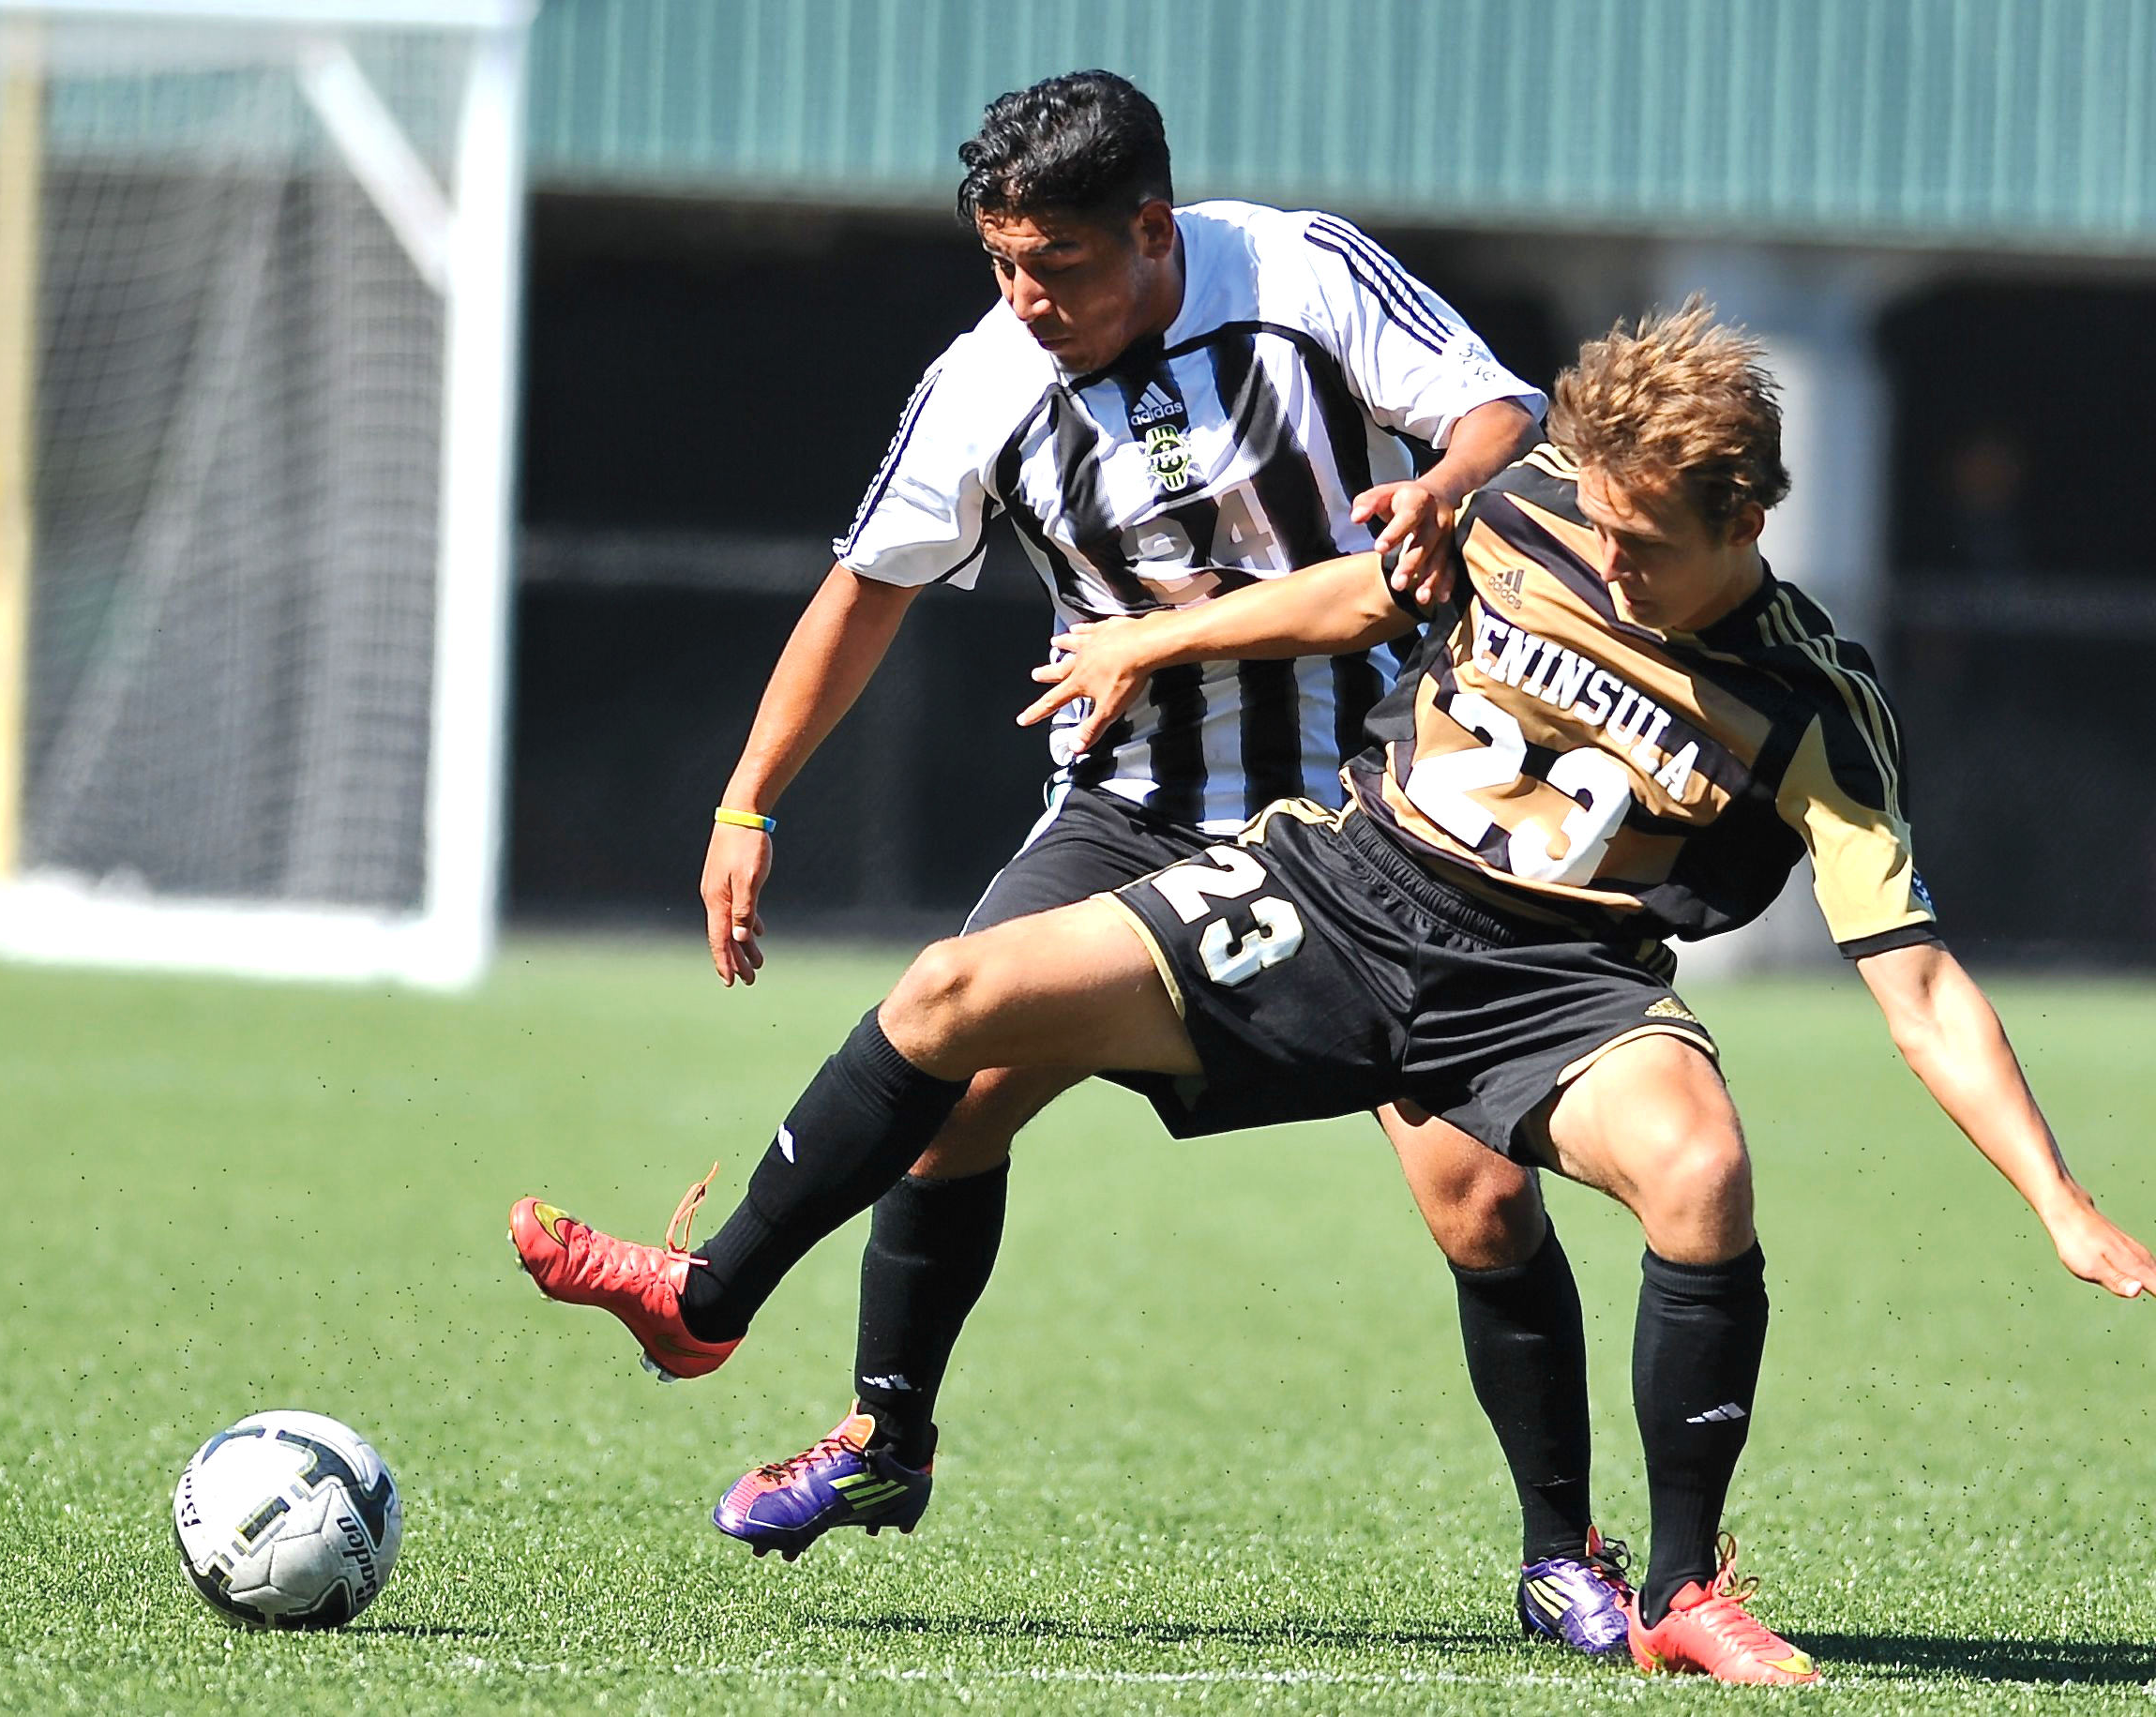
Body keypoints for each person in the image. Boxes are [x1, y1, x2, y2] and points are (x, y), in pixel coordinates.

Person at [512, 300, 2156, 1685]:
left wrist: (2056, 1204)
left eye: (1646, 547)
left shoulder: (1810, 707)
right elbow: (1371, 586)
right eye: (1598, 525)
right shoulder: (1533, 501)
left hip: (1554, 987)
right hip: (1343, 890)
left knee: (1670, 1172)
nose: (1606, 561)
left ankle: (1673, 1591)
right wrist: (1151, 641)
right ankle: (710, 1294)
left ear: (1746, 522)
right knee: (956, 995)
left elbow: (1913, 978)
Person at [657, 70, 1634, 1653]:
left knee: (1472, 1194)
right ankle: (879, 1443)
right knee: (946, 1091)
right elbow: (862, 589)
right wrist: (745, 803)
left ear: (1153, 228)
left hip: (1372, 811)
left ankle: (1558, 1550)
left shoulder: (1301, 275)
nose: (1027, 299)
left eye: (1059, 264)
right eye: (1000, 264)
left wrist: (1446, 484)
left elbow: (1497, 407)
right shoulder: (983, 381)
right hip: (1124, 808)